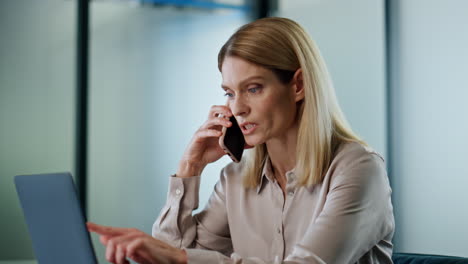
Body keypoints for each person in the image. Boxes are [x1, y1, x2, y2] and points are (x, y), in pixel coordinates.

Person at [87, 17, 395, 264]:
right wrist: (190, 166)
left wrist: (182, 259)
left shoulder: (358, 169)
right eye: (229, 92)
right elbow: (170, 252)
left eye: (254, 88)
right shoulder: (236, 178)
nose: (237, 108)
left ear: (298, 85)